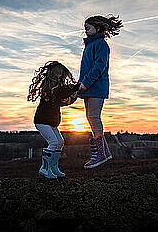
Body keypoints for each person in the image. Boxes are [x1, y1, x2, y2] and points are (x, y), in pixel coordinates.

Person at [77, 14, 123, 169]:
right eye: (85, 28)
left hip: (96, 87)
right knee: (90, 118)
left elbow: (99, 67)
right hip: (87, 87)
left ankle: (100, 155)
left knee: (94, 117)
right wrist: (80, 84)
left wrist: (86, 83)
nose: (86, 31)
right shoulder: (89, 45)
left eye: (88, 28)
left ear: (97, 28)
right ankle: (105, 153)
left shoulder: (101, 44)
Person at [27, 61, 81, 179]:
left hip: (51, 122)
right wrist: (76, 87)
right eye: (56, 71)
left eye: (60, 72)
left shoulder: (57, 86)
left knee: (60, 142)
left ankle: (53, 168)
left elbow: (63, 97)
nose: (58, 74)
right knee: (54, 142)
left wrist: (75, 91)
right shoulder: (48, 85)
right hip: (42, 120)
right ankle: (44, 168)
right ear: (51, 72)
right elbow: (61, 92)